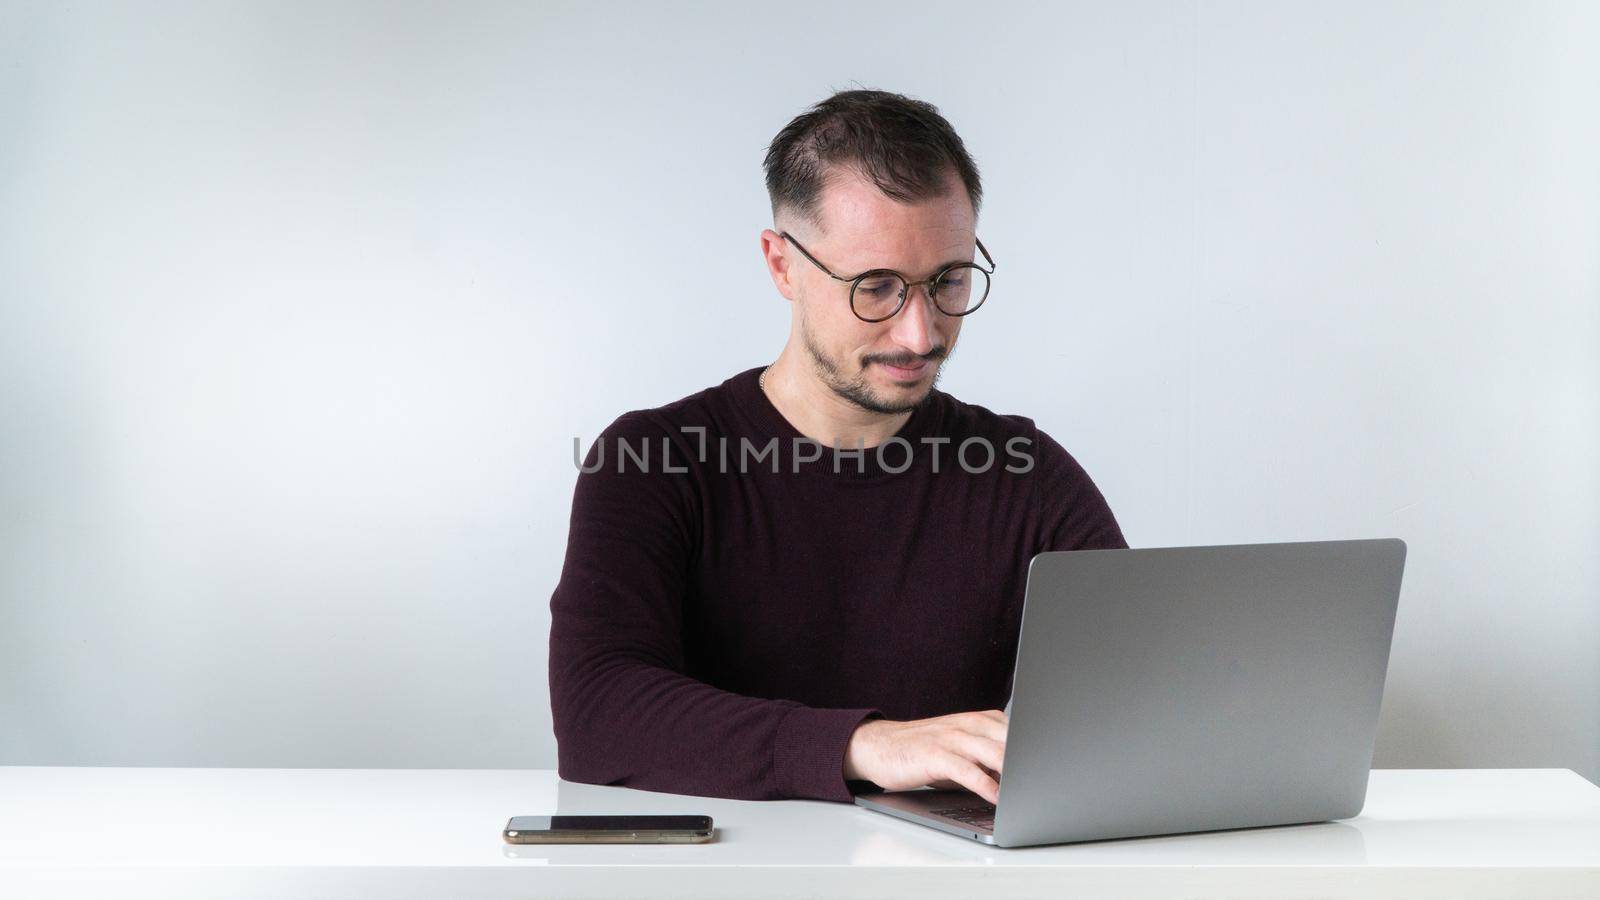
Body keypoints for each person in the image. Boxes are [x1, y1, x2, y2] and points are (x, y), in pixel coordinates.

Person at [548, 88, 1127, 805]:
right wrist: (865, 745)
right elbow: (597, 715)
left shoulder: (1026, 475)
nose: (921, 335)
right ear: (783, 264)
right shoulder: (653, 462)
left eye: (948, 282)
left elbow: (1133, 706)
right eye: (876, 287)